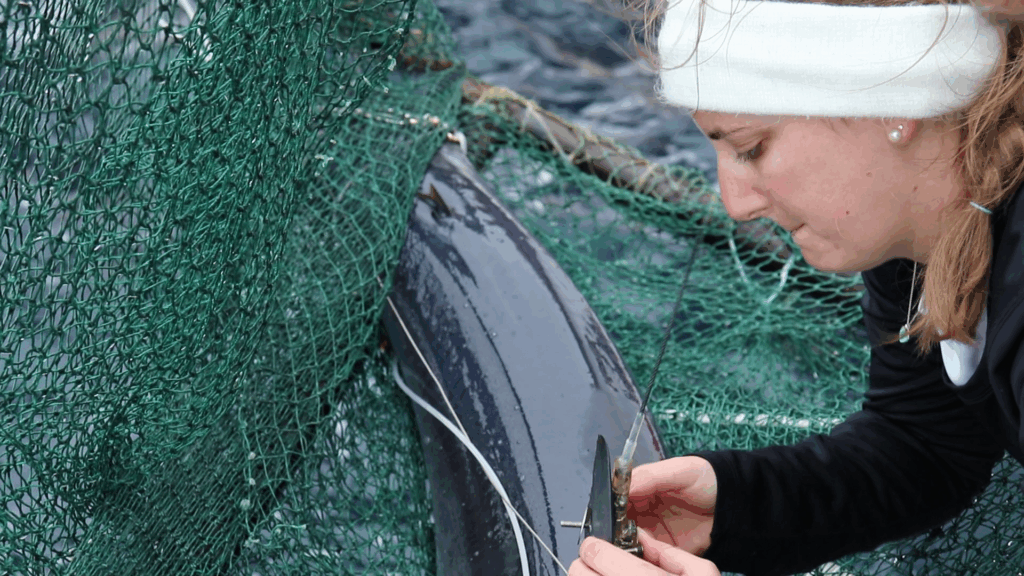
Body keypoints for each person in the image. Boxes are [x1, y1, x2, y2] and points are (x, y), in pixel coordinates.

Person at [568, 0, 1024, 574]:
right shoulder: (914, 231)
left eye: (750, 147)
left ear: (896, 97)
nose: (735, 204)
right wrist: (735, 505)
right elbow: (926, 443)